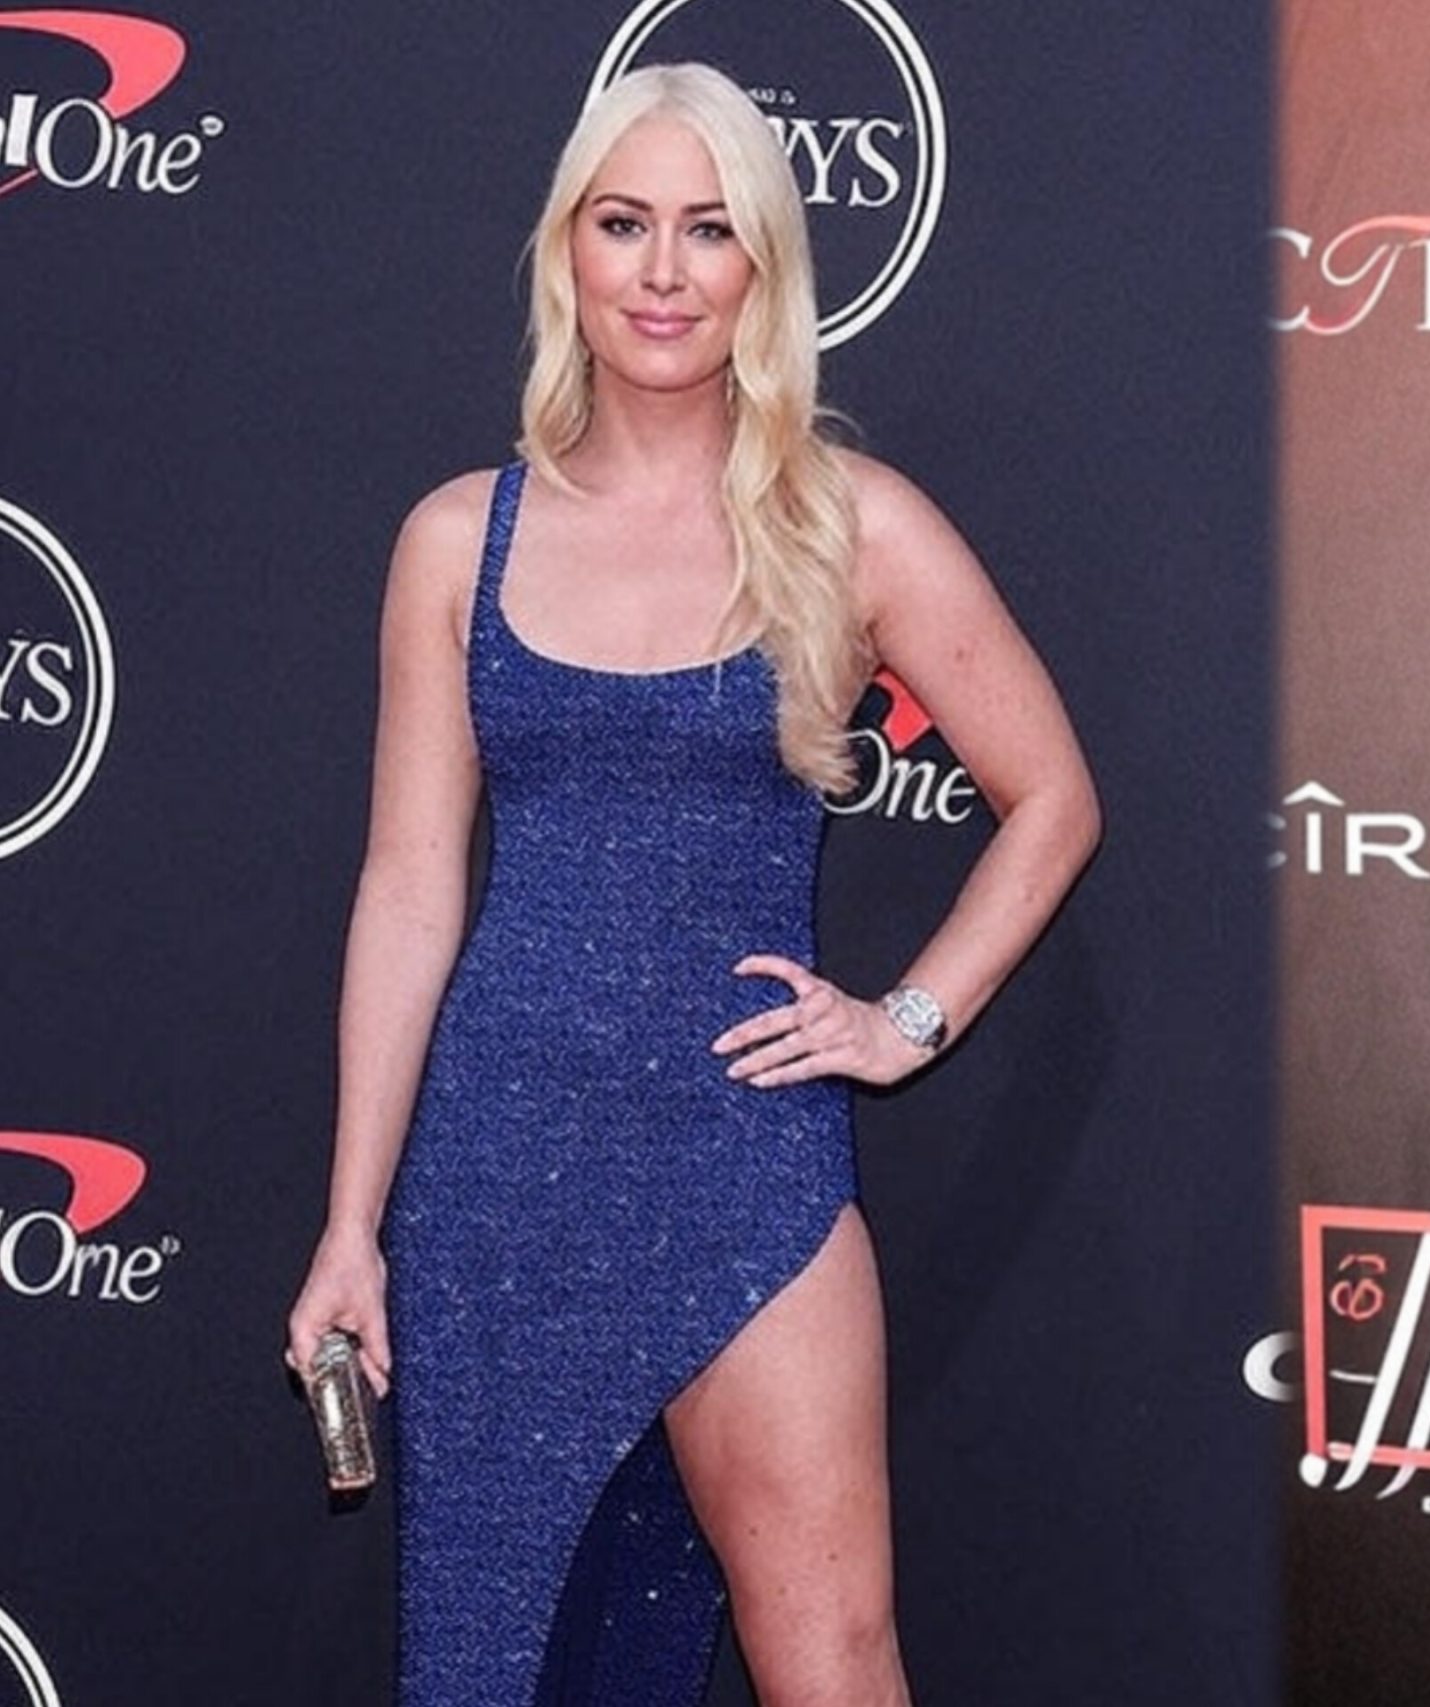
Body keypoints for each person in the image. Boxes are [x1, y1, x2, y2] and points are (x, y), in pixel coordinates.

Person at [282, 63, 1099, 1707]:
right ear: (566, 254)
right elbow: (410, 886)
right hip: (499, 1187)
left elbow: (1053, 798)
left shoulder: (852, 527)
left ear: (764, 268)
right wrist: (352, 1224)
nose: (663, 272)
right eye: (625, 224)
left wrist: (906, 1021)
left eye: (709, 230)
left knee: (834, 1657)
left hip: (747, 1169)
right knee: (494, 1670)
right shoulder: (457, 540)